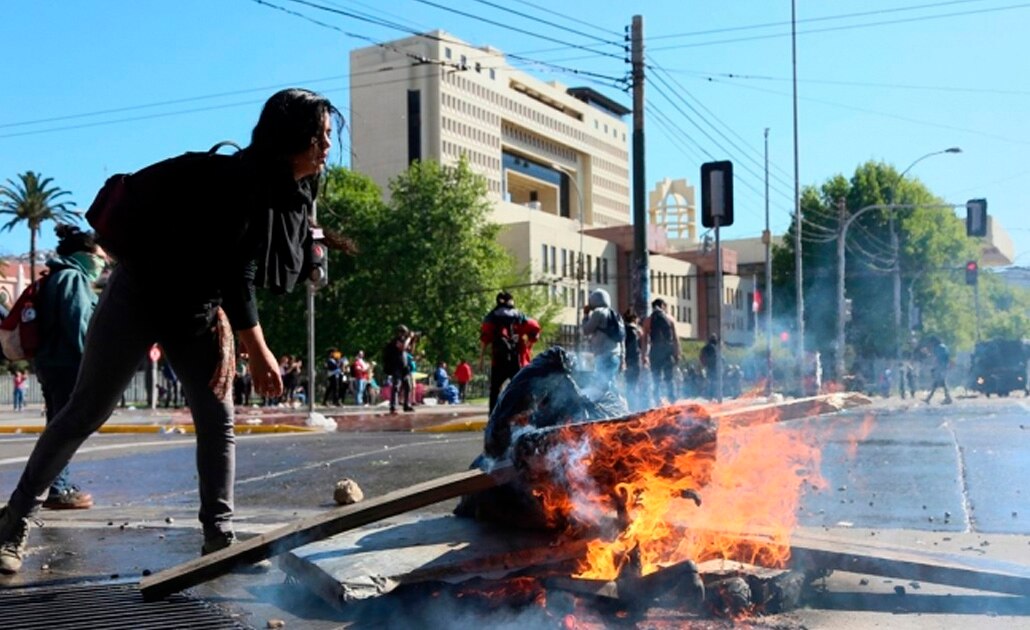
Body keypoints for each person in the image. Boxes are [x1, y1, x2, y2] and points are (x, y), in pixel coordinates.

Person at [0, 87, 343, 575]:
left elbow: (241, 269)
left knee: (217, 418)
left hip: (196, 310)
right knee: (84, 413)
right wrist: (259, 350)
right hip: (139, 296)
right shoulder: (238, 182)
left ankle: (218, 538)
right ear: (292, 137)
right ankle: (14, 521)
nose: (328, 146)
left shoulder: (292, 190)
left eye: (330, 134)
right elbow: (237, 275)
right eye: (321, 135)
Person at [33, 225, 107, 510]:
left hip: (52, 363)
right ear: (85, 254)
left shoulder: (58, 276)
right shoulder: (72, 279)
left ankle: (57, 484)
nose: (104, 261)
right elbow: (78, 326)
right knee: (65, 428)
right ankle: (57, 488)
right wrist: (91, 364)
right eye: (100, 255)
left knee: (58, 424)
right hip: (67, 364)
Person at [480, 291, 540, 413]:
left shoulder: (491, 317)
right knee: (523, 387)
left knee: (495, 390)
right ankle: (528, 414)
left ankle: (493, 417)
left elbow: (485, 338)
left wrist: (481, 358)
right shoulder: (520, 317)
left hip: (498, 360)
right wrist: (530, 343)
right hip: (517, 359)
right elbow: (535, 328)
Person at [581, 288, 624, 392]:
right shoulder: (616, 315)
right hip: (616, 356)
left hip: (603, 355)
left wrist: (586, 315)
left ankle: (611, 406)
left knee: (601, 386)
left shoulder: (598, 313)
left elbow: (586, 330)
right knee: (611, 384)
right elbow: (622, 338)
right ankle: (621, 405)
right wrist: (623, 358)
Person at [641, 298, 680, 404]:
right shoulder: (670, 318)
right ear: (663, 305)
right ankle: (672, 400)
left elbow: (644, 340)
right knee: (669, 377)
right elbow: (675, 338)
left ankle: (657, 400)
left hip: (655, 351)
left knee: (656, 378)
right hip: (668, 351)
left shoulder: (648, 320)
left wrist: (644, 356)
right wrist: (677, 353)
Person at [383, 325, 415, 414]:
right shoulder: (395, 341)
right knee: (397, 386)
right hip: (396, 366)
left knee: (408, 386)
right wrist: (409, 338)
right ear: (400, 332)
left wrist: (413, 341)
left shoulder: (405, 341)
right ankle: (393, 406)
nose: (405, 334)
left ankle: (406, 405)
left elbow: (411, 351)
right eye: (404, 332)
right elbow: (403, 347)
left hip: (405, 367)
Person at [622, 310, 643, 409]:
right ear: (634, 319)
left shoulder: (623, 330)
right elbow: (634, 349)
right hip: (633, 362)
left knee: (629, 385)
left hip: (626, 361)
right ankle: (633, 407)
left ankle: (631, 405)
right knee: (633, 385)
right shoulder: (633, 331)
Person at [924, 337, 953, 404]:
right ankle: (929, 398)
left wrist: (934, 367)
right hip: (944, 367)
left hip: (940, 368)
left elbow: (937, 358)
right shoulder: (944, 347)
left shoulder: (938, 348)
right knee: (939, 383)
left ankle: (947, 398)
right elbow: (947, 357)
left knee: (938, 383)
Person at [699, 334, 719, 400]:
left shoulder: (706, 347)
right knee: (714, 382)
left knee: (710, 381)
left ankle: (710, 396)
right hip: (714, 367)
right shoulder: (715, 348)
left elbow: (701, 356)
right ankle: (713, 396)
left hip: (709, 366)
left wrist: (703, 364)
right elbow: (718, 358)